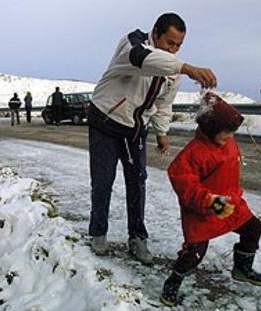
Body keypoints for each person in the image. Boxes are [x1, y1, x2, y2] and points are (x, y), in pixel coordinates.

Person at [87, 12, 217, 265]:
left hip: (134, 129)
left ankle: (137, 238)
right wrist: (188, 68)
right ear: (155, 32)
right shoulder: (132, 43)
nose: (173, 50)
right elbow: (143, 59)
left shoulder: (173, 71)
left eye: (179, 45)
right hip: (104, 121)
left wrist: (162, 132)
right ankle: (98, 232)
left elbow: (163, 103)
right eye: (169, 42)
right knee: (103, 180)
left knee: (137, 182)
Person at [160, 92, 261, 307]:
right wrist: (210, 201)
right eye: (225, 133)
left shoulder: (228, 144)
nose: (229, 137)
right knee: (194, 255)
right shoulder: (192, 154)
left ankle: (242, 268)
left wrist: (233, 197)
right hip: (203, 210)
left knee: (253, 229)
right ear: (211, 129)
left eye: (232, 133)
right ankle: (173, 281)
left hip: (231, 204)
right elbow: (185, 184)